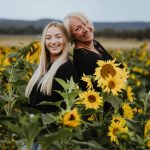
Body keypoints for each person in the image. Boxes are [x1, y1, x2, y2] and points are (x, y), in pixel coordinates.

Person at [25, 22, 79, 114]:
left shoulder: (66, 69)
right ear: (44, 42)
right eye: (48, 38)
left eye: (58, 37)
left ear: (65, 40)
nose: (53, 41)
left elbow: (65, 108)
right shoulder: (43, 68)